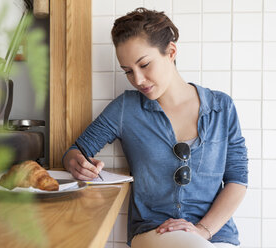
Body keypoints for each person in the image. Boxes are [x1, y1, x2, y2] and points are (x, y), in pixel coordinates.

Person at [62, 7, 248, 248]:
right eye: (128, 71)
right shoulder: (125, 109)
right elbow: (76, 150)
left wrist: (203, 230)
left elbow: (237, 180)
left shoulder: (222, 107)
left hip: (216, 235)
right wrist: (75, 162)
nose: (137, 80)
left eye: (145, 64)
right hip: (154, 232)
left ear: (170, 52)